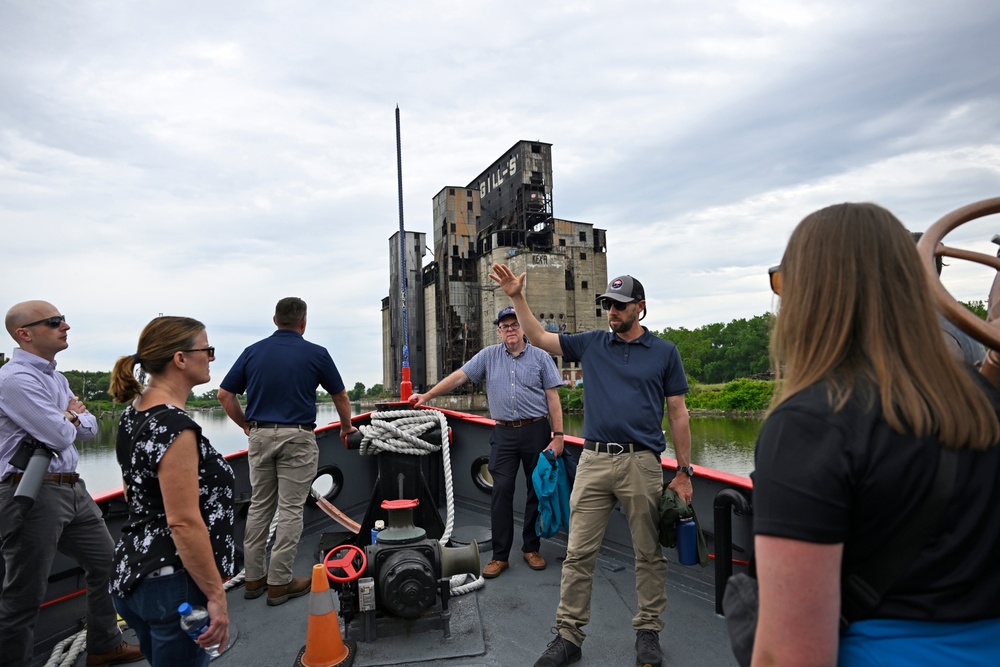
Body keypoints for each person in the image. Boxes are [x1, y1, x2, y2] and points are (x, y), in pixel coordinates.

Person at [751, 203, 1000, 666]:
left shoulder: (811, 423)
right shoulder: (983, 401)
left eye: (787, 285)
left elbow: (789, 654)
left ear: (817, 295)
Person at [489, 267, 693, 667]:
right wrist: (517, 296)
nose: (611, 312)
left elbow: (678, 412)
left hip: (642, 461)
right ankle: (569, 637)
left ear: (641, 308)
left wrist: (684, 472)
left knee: (649, 554)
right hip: (594, 461)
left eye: (619, 305)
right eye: (607, 305)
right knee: (579, 552)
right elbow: (541, 337)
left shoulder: (666, 353)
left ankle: (648, 631)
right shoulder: (593, 343)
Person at [0, 301, 143, 667]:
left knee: (109, 564)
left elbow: (91, 428)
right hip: (30, 492)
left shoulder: (57, 378)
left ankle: (104, 645)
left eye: (63, 319)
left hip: (72, 489)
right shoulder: (15, 379)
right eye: (54, 322)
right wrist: (70, 416)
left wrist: (71, 419)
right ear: (25, 334)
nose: (66, 326)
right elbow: (59, 432)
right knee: (24, 593)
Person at [108, 316, 235, 666]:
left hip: (135, 577)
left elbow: (133, 496)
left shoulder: (134, 415)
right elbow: (182, 522)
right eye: (207, 349)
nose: (211, 357)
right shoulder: (175, 428)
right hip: (174, 588)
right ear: (180, 359)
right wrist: (216, 597)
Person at [217, 297, 357, 606]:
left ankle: (253, 579)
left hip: (260, 435)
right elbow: (341, 395)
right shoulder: (316, 354)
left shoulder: (252, 352)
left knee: (259, 507)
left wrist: (246, 425)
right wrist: (346, 427)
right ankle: (280, 582)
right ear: (303, 322)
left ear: (274, 320)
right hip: (297, 438)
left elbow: (224, 395)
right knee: (291, 508)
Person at [409, 305, 565, 578]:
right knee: (501, 490)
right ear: (499, 331)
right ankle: (500, 555)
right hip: (503, 433)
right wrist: (427, 396)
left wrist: (559, 435)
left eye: (514, 325)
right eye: (505, 326)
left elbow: (553, 398)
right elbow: (459, 376)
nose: (510, 330)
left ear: (523, 328)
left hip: (536, 430)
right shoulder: (489, 356)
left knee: (535, 490)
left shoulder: (541, 358)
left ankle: (531, 547)